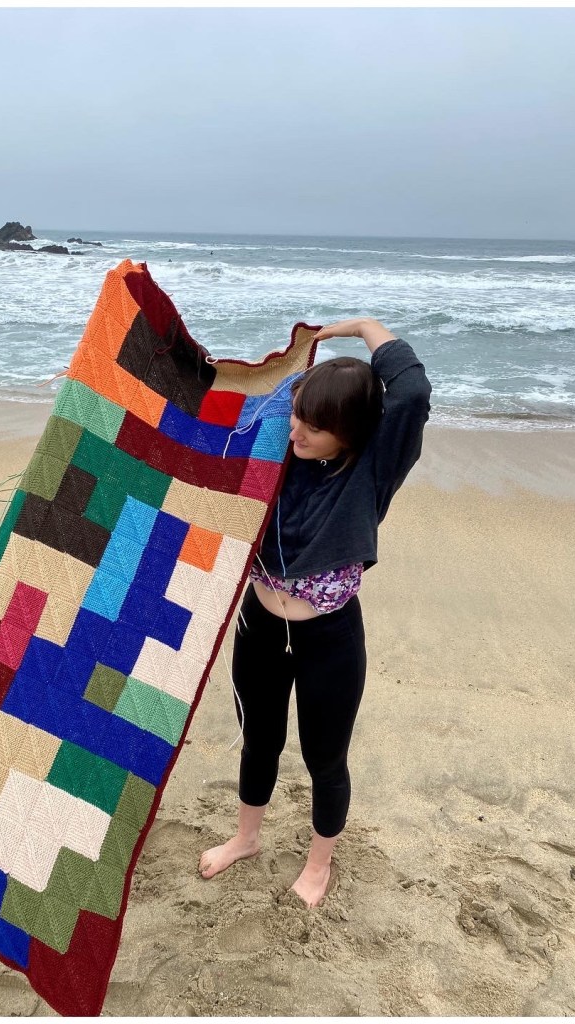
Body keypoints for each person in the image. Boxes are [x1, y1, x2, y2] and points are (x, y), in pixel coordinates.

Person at [198, 317, 432, 907]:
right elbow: (203, 418)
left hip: (329, 638)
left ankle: (318, 865)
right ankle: (246, 838)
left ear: (351, 432)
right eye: (298, 415)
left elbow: (411, 393)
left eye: (315, 425)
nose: (297, 430)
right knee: (258, 740)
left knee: (324, 757)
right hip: (258, 627)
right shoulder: (274, 454)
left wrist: (361, 327)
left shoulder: (371, 472)